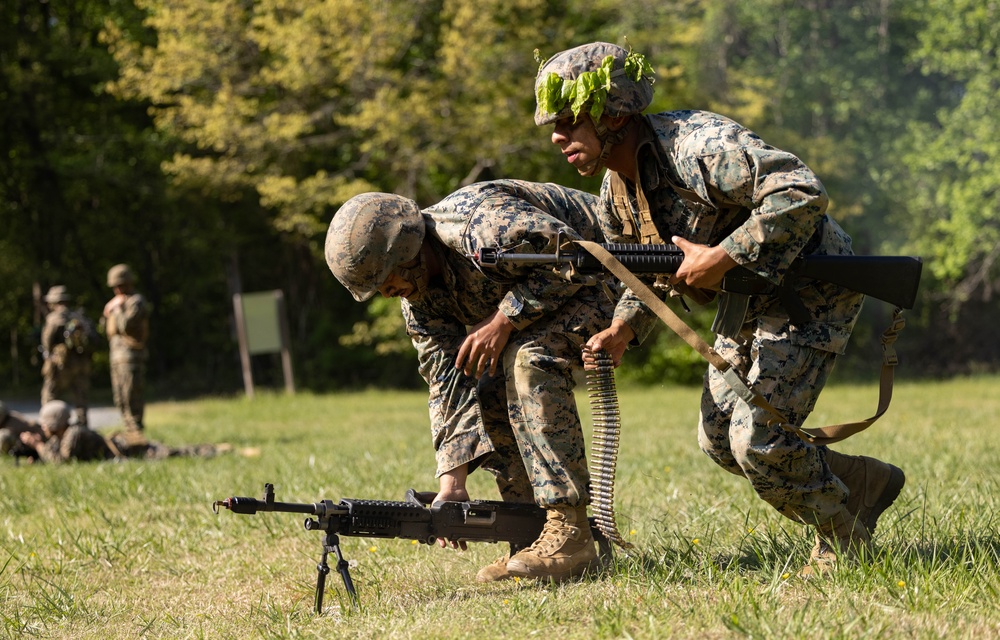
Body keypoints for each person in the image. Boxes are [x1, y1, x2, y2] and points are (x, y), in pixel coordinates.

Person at [532, 42, 905, 574]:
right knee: (719, 441)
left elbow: (800, 190)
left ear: (612, 113)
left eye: (570, 121)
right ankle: (862, 483)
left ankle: (844, 541)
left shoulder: (700, 148)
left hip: (811, 286)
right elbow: (644, 270)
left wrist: (723, 255)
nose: (557, 136)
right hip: (749, 296)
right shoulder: (616, 191)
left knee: (758, 440)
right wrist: (621, 329)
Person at [325, 179, 616, 583]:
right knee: (488, 386)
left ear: (408, 250)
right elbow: (447, 381)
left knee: (528, 362)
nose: (389, 294)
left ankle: (571, 531)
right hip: (564, 292)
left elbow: (574, 257)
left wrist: (504, 320)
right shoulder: (419, 302)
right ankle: (532, 534)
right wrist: (452, 483)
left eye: (387, 279)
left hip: (617, 271)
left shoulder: (479, 226)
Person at [16, 400, 232, 463]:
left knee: (171, 453)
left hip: (126, 451)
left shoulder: (73, 435)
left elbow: (62, 462)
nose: (42, 427)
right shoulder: (64, 435)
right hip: (119, 452)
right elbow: (54, 454)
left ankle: (213, 450)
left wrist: (37, 445)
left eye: (45, 423)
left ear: (56, 423)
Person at [102, 264, 150, 432]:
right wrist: (109, 310)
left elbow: (126, 326)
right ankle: (129, 429)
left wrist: (118, 308)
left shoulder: (136, 302)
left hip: (131, 357)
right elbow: (107, 328)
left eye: (120, 285)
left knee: (132, 395)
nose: (117, 289)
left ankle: (136, 430)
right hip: (116, 357)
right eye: (115, 286)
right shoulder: (118, 303)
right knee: (119, 397)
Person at [40, 285, 96, 427]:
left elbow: (47, 341)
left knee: (49, 396)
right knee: (80, 400)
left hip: (61, 365)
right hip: (80, 365)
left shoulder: (54, 318)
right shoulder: (77, 317)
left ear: (53, 302)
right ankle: (83, 430)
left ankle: (49, 428)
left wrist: (49, 357)